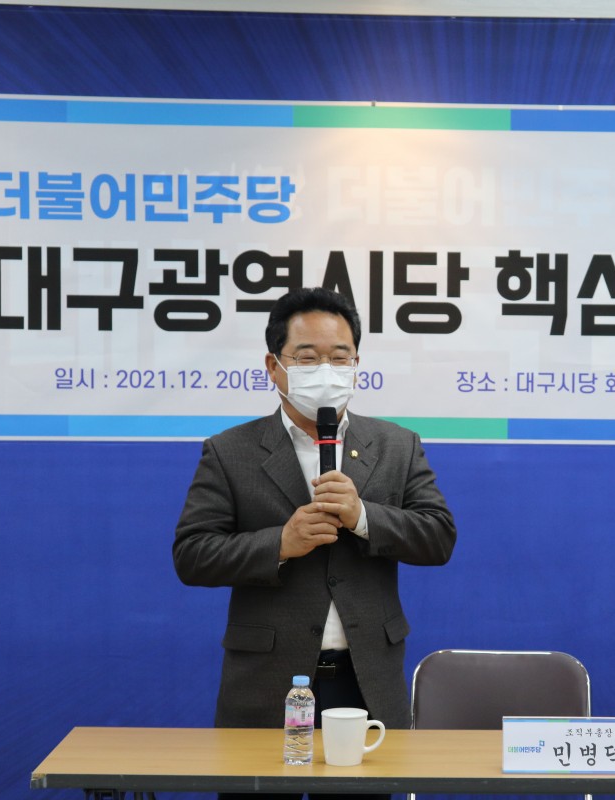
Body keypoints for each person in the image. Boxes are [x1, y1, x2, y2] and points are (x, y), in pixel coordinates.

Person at [174, 287, 457, 800]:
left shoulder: (396, 445)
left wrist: (364, 517)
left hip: (364, 680)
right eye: (307, 357)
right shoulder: (230, 451)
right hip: (266, 682)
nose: (326, 370)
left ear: (357, 365)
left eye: (339, 357)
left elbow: (438, 537)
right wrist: (280, 543)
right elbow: (193, 555)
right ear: (274, 366)